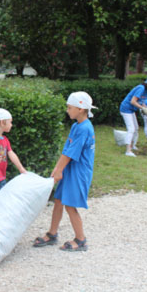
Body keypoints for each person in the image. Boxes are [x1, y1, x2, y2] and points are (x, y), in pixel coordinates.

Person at [33, 92, 96, 252]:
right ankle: (52, 234)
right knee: (59, 199)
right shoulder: (76, 125)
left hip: (78, 172)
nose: (67, 110)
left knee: (69, 204)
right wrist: (57, 168)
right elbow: (66, 149)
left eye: (70, 107)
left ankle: (81, 240)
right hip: (70, 168)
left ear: (81, 109)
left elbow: (71, 153)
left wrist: (60, 170)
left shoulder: (85, 128)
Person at [0, 108, 27, 196]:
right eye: (10, 122)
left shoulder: (5, 139)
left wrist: (21, 168)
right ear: (2, 122)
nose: (11, 125)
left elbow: (11, 154)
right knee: (0, 200)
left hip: (0, 176)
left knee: (0, 199)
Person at [119, 74, 147, 157]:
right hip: (126, 109)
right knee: (131, 129)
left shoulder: (146, 91)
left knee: (136, 128)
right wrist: (143, 108)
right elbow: (133, 101)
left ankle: (133, 146)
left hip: (131, 110)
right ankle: (128, 151)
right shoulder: (141, 88)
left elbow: (143, 102)